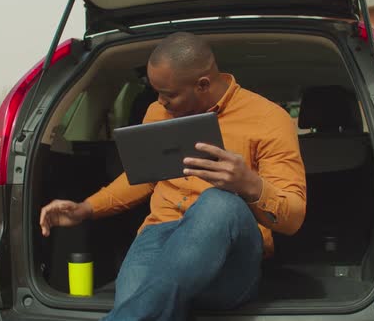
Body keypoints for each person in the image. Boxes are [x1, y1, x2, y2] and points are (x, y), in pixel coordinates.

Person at [39, 32, 306, 320]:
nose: (159, 101)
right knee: (146, 304)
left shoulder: (268, 119)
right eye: (156, 92)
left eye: (168, 94)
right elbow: (140, 178)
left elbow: (293, 217)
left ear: (202, 85)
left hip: (231, 257)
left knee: (219, 202)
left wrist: (248, 184)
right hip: (159, 236)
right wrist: (85, 209)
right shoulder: (157, 112)